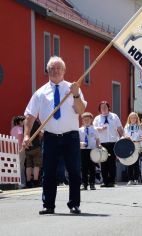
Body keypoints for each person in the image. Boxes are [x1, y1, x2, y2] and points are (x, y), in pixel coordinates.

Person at [23, 56, 86, 215]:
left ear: (64, 71)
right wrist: (26, 135)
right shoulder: (40, 93)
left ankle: (74, 204)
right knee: (48, 172)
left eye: (58, 68)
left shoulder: (73, 88)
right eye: (52, 68)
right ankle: (48, 205)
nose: (55, 71)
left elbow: (80, 111)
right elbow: (30, 116)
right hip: (50, 136)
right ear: (47, 71)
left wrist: (76, 94)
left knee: (74, 171)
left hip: (70, 136)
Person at [93, 101, 124, 187]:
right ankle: (105, 181)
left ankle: (112, 181)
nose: (103, 108)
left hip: (112, 142)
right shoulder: (97, 118)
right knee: (103, 162)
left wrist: (123, 138)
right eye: (102, 107)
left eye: (105, 106)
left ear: (108, 107)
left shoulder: (114, 116)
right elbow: (93, 129)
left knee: (112, 162)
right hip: (102, 143)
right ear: (100, 109)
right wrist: (99, 128)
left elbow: (120, 128)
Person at [79, 112, 100, 190]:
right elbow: (77, 140)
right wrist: (80, 143)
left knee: (92, 168)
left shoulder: (94, 129)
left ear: (91, 120)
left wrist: (99, 146)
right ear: (82, 121)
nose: (86, 121)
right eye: (85, 119)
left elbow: (97, 139)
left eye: (88, 119)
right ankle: (84, 183)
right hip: (83, 150)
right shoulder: (80, 130)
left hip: (92, 150)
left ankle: (92, 183)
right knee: (83, 168)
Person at [123, 112, 142, 185]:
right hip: (129, 144)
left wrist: (141, 138)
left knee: (136, 162)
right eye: (131, 117)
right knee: (129, 162)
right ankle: (130, 179)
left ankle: (136, 179)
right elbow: (124, 134)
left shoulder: (139, 126)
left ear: (136, 118)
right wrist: (126, 137)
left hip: (136, 144)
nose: (133, 119)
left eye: (134, 117)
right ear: (129, 118)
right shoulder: (127, 126)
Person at [25, 119, 42, 188]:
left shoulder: (25, 122)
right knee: (36, 165)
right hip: (36, 146)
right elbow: (40, 133)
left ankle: (28, 182)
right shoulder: (36, 122)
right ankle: (35, 181)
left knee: (28, 165)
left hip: (27, 147)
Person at [10, 116, 26, 188]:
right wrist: (22, 147)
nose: (24, 122)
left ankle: (16, 183)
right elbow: (20, 137)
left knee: (16, 167)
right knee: (21, 166)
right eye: (23, 121)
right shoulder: (20, 128)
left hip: (13, 149)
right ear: (20, 122)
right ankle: (21, 183)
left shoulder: (12, 129)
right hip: (20, 149)